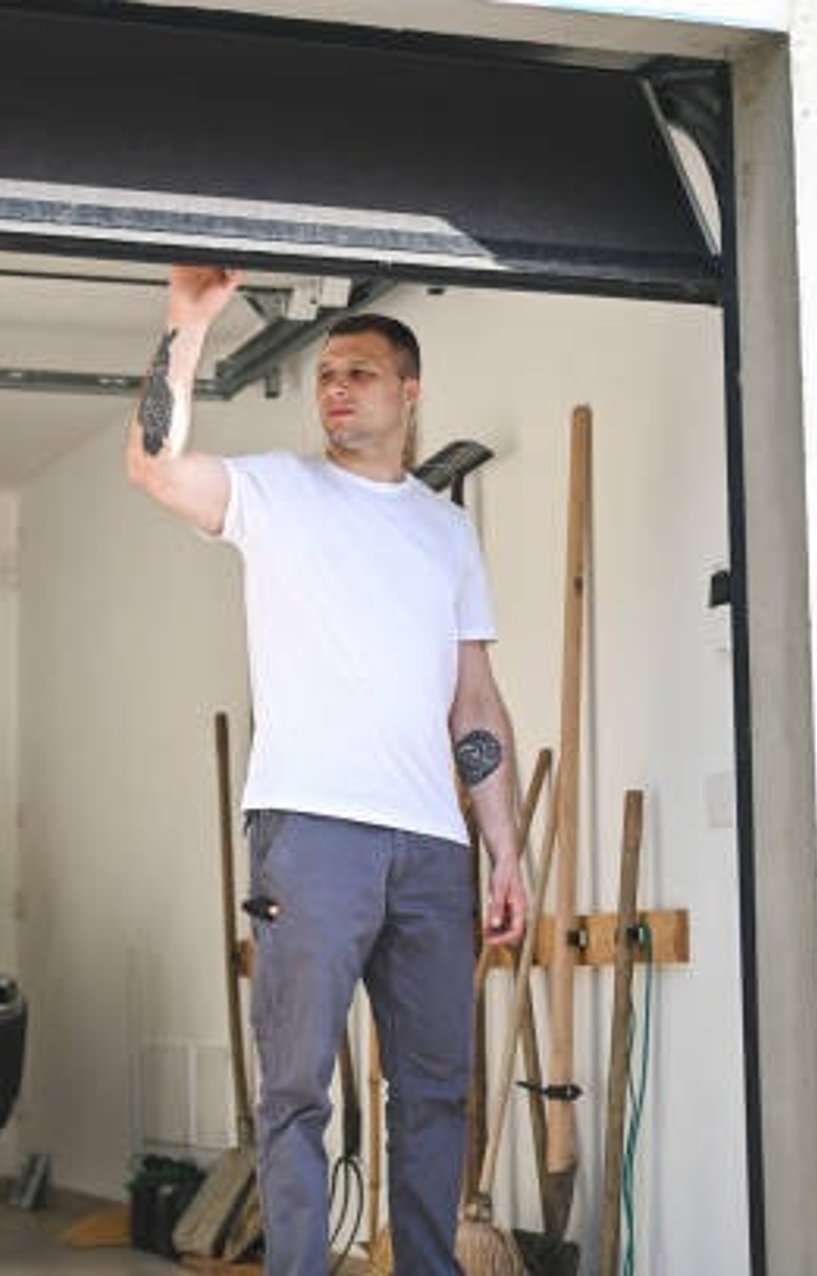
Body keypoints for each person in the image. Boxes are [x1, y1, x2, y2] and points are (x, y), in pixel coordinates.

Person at [125, 265, 529, 1276]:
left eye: (360, 372)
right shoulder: (277, 492)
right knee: (299, 1088)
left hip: (434, 847)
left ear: (409, 392)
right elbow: (155, 467)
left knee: (437, 1092)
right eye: (327, 374)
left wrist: (507, 851)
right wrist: (186, 326)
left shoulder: (446, 530)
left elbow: (473, 701)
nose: (336, 389)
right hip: (310, 834)